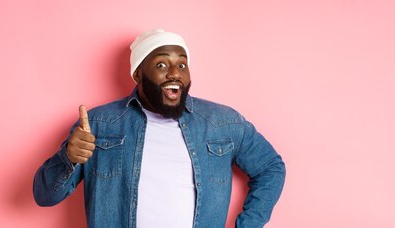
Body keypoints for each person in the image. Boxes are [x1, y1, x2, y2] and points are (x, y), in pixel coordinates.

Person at [33, 29, 286, 228]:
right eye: (162, 65)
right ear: (138, 74)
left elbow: (271, 167)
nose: (174, 73)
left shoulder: (223, 122)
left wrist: (249, 224)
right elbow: (44, 197)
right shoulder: (98, 124)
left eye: (182, 65)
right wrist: (67, 157)